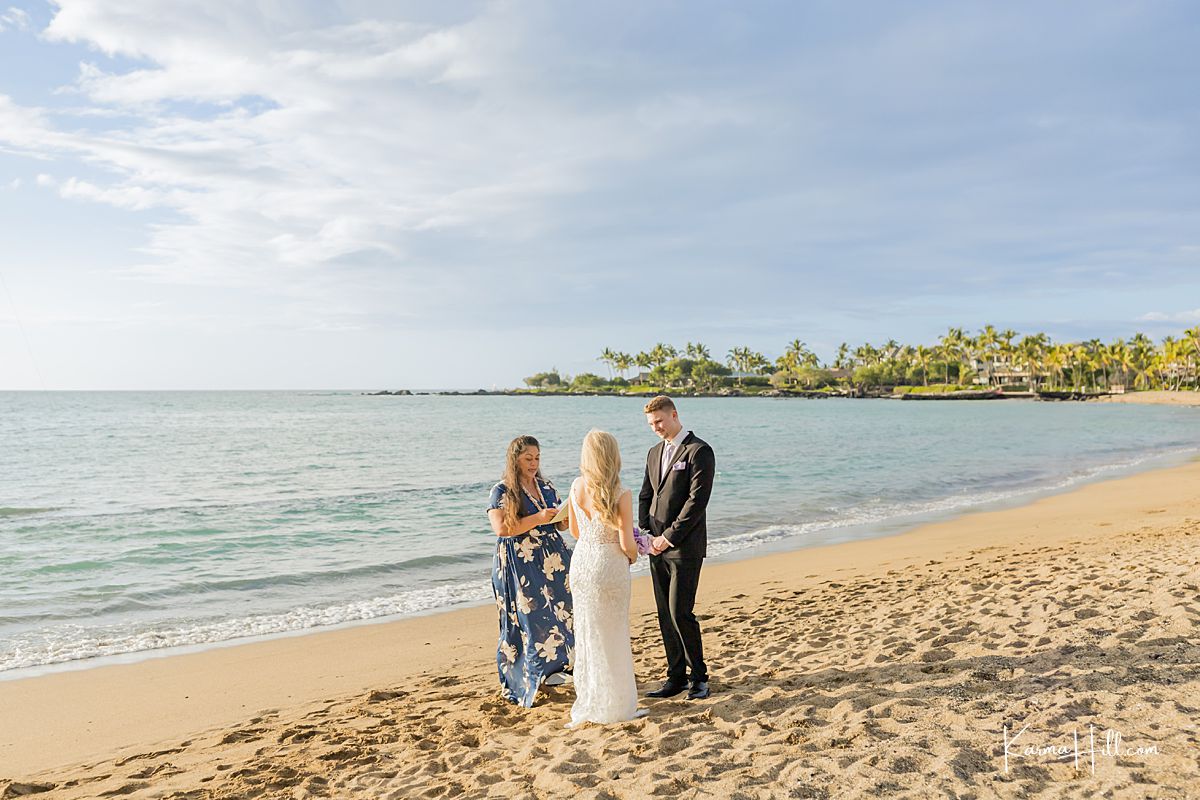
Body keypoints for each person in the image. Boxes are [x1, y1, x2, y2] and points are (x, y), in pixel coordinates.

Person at [565, 429, 646, 727]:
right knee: (613, 633)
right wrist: (636, 554)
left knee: (587, 633)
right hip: (608, 564)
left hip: (582, 563)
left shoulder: (575, 486)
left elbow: (575, 531)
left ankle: (590, 700)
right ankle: (616, 706)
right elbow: (626, 544)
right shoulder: (620, 493)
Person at [486, 435, 574, 707]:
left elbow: (559, 526)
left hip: (553, 558)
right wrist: (537, 518)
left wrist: (565, 518)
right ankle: (522, 679)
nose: (534, 463)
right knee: (525, 618)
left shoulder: (546, 486)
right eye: (528, 458)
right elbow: (501, 529)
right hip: (518, 561)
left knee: (562, 611)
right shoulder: (502, 491)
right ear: (515, 459)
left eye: (537, 458)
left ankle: (556, 670)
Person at [639, 395, 715, 700]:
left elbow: (697, 502)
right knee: (663, 614)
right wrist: (646, 532)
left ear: (674, 415)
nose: (655, 427)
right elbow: (647, 493)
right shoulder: (654, 452)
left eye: (659, 421)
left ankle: (699, 677)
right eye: (651, 423)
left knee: (680, 612)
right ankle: (676, 677)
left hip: (684, 546)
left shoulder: (699, 451)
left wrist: (668, 536)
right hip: (655, 546)